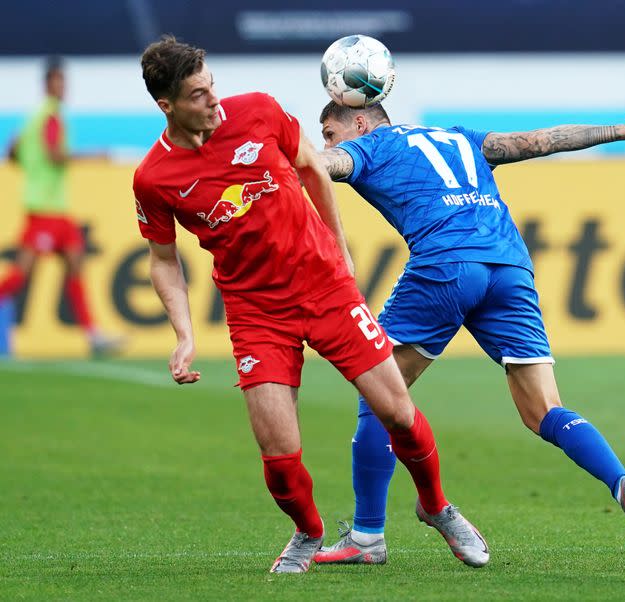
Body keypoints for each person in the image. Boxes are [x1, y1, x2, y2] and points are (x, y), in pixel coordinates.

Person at [132, 36, 488, 574]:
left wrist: (340, 251)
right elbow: (164, 260)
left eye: (211, 86)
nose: (214, 100)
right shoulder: (154, 178)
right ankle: (308, 532)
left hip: (324, 287)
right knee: (277, 452)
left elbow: (311, 168)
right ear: (167, 105)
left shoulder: (257, 110)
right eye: (199, 95)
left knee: (394, 410)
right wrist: (184, 334)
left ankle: (436, 506)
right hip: (256, 312)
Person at [313, 102, 625, 566]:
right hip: (509, 266)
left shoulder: (369, 145)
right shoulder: (457, 137)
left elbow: (322, 163)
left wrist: (266, 157)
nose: (328, 142)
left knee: (378, 394)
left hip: (444, 266)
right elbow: (540, 140)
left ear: (359, 121)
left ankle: (367, 536)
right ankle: (622, 481)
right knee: (544, 410)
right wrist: (620, 131)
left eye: (329, 131)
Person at [0, 57, 122, 355]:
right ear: (47, 84)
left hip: (55, 209)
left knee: (75, 263)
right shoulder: (51, 115)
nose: (63, 87)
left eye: (64, 81)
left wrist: (31, 162)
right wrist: (93, 157)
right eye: (58, 81)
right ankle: (93, 335)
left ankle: (93, 335)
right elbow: (55, 156)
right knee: (21, 274)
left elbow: (13, 150)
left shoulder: (33, 118)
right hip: (44, 209)